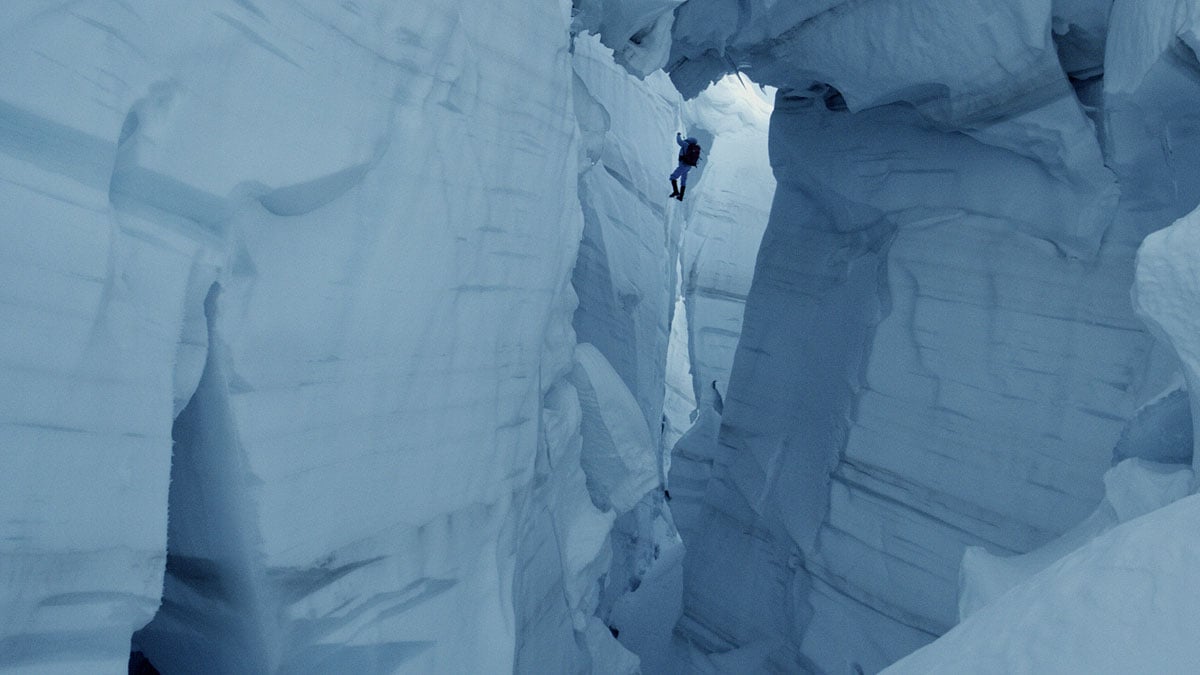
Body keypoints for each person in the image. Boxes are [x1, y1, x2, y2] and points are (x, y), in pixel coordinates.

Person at [670, 132, 701, 201]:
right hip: (688, 167)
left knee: (673, 177)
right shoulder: (693, 148)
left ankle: (676, 192)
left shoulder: (685, 144)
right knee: (683, 180)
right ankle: (681, 196)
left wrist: (678, 135)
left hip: (683, 165)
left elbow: (679, 141)